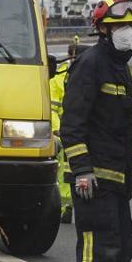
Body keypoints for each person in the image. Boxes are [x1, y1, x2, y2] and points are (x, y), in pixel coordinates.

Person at [60, 0, 132, 262]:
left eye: (130, 25)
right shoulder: (91, 63)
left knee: (121, 249)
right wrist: (82, 170)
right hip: (93, 180)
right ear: (103, 29)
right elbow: (72, 124)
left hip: (117, 180)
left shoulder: (118, 67)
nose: (127, 32)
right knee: (97, 250)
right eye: (119, 26)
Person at [49, 37, 80, 224]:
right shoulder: (58, 77)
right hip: (63, 132)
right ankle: (64, 206)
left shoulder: (87, 74)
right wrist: (57, 129)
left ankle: (70, 205)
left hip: (79, 131)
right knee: (63, 170)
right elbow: (52, 107)